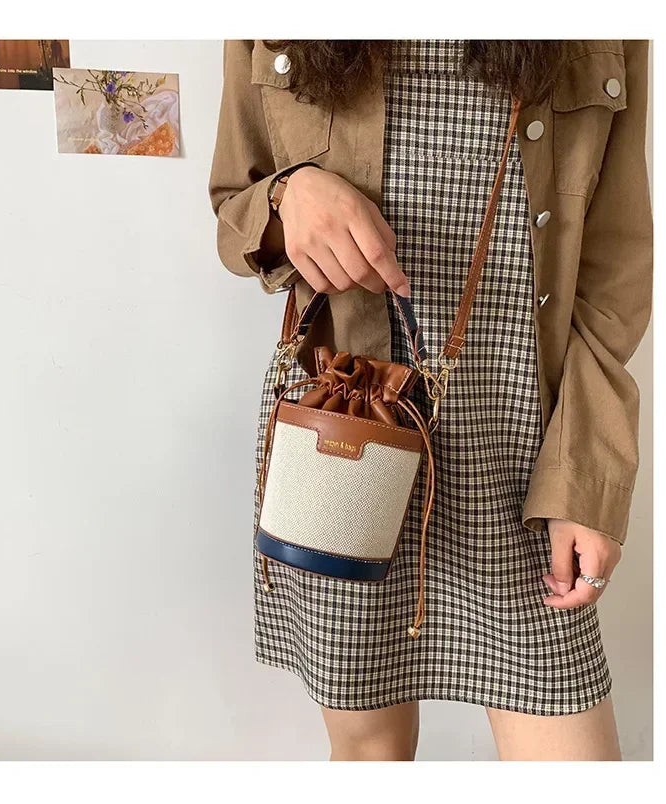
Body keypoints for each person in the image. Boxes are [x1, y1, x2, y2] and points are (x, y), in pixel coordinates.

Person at [209, 40, 652, 761]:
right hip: (347, 434)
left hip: (529, 453)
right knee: (369, 758)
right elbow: (236, 206)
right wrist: (290, 197)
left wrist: (590, 476)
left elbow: (615, 272)